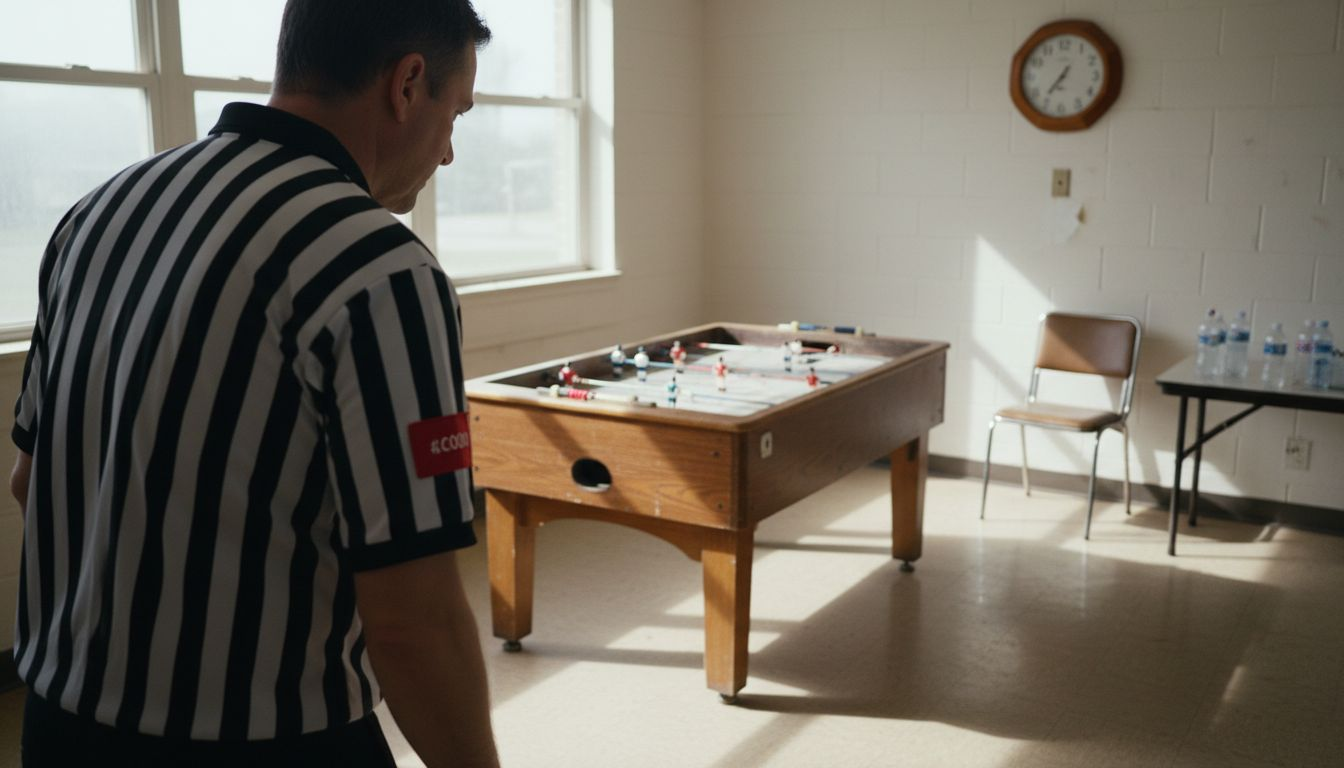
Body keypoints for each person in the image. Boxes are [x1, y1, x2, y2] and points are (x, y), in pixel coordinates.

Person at [8, 1, 499, 765]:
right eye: (456, 114)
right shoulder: (380, 270)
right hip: (271, 738)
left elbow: (28, 479)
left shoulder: (95, 217)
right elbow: (416, 620)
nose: (449, 154)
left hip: (56, 727)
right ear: (407, 85)